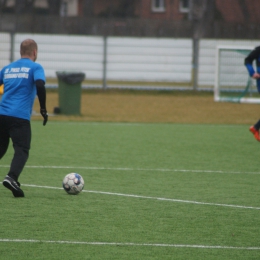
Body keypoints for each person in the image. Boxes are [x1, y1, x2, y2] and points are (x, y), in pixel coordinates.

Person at [0, 39, 48, 197]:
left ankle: (12, 178)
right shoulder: (35, 67)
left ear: (21, 52)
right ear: (35, 52)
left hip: (2, 115)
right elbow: (40, 85)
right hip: (19, 117)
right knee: (22, 149)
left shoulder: (7, 68)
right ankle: (12, 177)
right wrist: (42, 108)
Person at [244, 46, 260, 141]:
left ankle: (255, 128)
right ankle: (255, 128)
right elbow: (247, 60)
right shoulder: (258, 50)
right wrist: (252, 72)